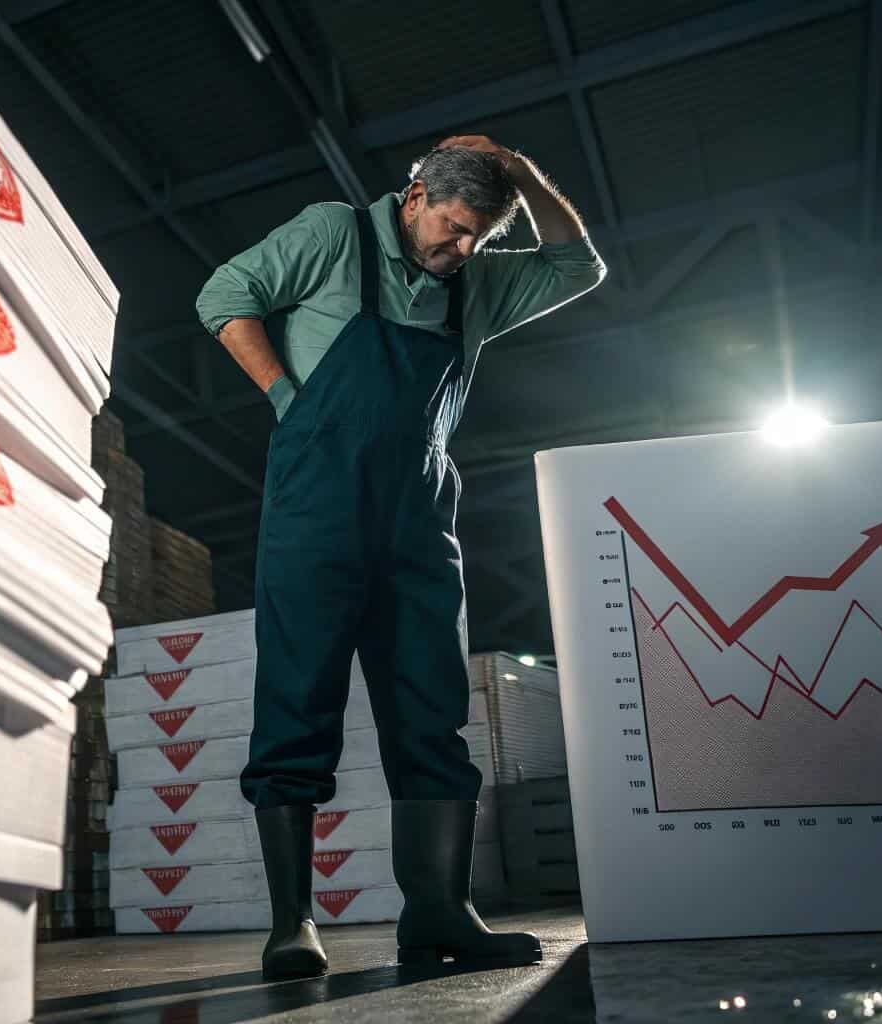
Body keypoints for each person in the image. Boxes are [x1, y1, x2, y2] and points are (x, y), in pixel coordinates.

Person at [194, 135, 606, 979]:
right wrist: (285, 397)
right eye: (452, 229)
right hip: (318, 506)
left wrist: (523, 171)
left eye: (476, 240)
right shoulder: (333, 234)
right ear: (414, 197)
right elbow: (224, 293)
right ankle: (291, 923)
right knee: (297, 694)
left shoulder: (478, 285)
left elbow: (580, 267)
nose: (460, 252)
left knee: (431, 705)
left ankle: (438, 911)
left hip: (420, 521)